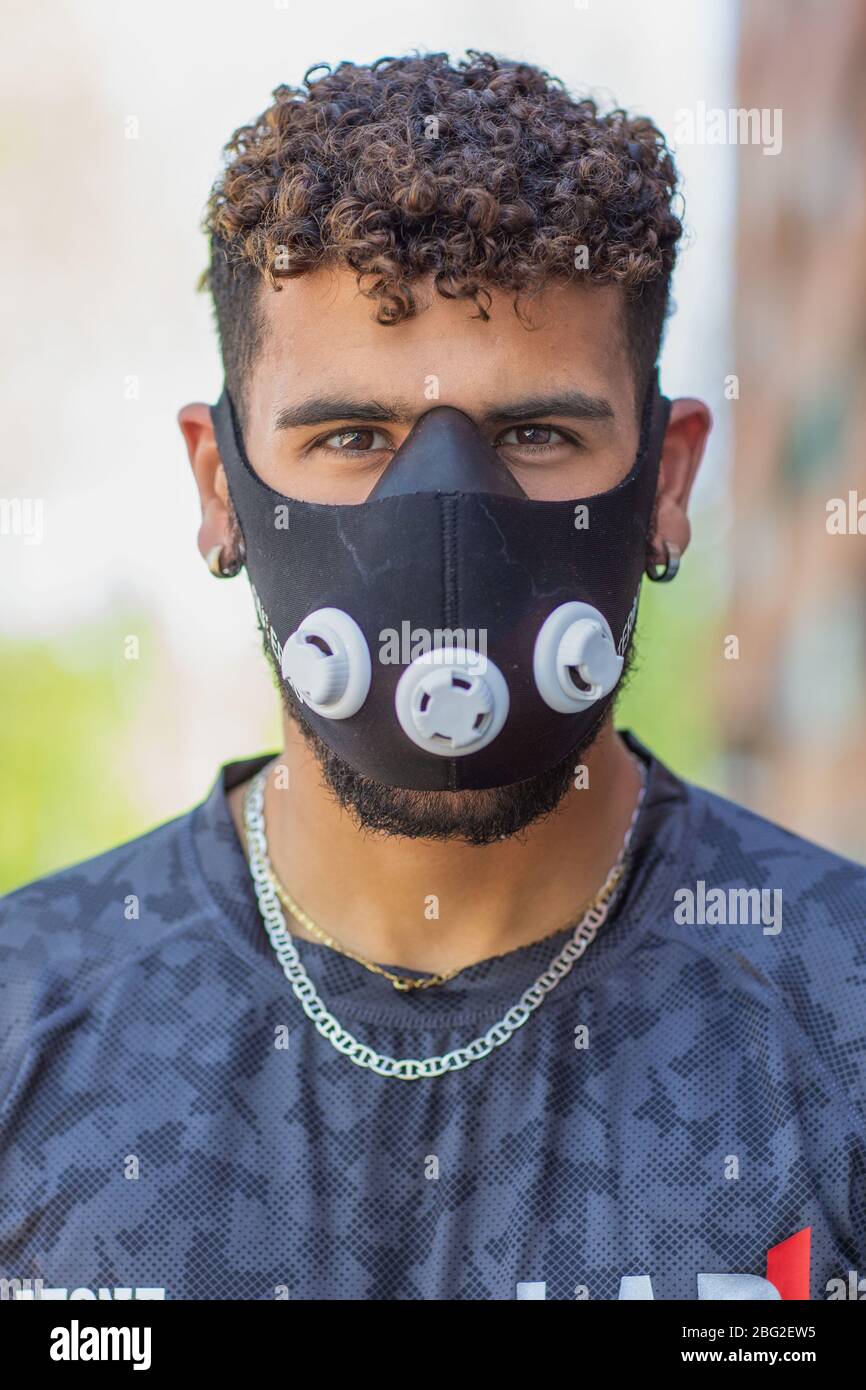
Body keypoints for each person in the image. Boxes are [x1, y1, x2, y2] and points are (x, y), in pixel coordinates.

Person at [1, 51, 863, 1303]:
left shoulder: (836, 1019)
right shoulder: (29, 1022)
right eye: (350, 438)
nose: (447, 531)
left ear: (666, 485)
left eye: (536, 435)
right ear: (218, 488)